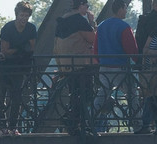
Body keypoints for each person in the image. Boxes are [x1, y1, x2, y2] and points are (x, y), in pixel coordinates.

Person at [92, 0, 140, 134]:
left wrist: (99, 61)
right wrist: (138, 62)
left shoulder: (101, 26)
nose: (126, 11)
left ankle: (90, 121)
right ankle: (137, 125)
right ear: (120, 9)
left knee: (102, 94)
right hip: (121, 67)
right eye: (125, 8)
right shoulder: (124, 27)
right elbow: (131, 49)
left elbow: (95, 49)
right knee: (131, 95)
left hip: (105, 66)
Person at [53, 0, 97, 136]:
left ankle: (75, 123)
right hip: (81, 64)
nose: (88, 9)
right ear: (81, 5)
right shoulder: (79, 20)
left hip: (66, 65)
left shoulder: (61, 22)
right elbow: (94, 39)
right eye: (87, 6)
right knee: (87, 93)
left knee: (75, 94)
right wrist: (92, 22)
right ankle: (75, 122)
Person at [0, 2, 35, 136]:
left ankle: (13, 127)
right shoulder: (8, 28)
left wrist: (17, 51)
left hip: (19, 67)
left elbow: (32, 48)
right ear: (16, 15)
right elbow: (4, 51)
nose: (24, 18)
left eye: (26, 15)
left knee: (16, 97)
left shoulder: (31, 28)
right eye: (21, 15)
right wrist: (19, 49)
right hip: (3, 67)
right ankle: (2, 126)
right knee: (1, 97)